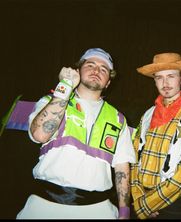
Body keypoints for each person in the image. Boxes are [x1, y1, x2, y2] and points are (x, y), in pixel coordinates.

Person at [16, 48, 136, 219]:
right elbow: (39, 135)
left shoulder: (118, 119)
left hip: (99, 210)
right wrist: (65, 86)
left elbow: (122, 166)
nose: (96, 71)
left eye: (104, 69)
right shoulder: (52, 101)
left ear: (108, 82)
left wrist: (124, 210)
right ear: (78, 70)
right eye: (91, 65)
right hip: (45, 205)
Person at [130, 52, 181, 219]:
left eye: (171, 76)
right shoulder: (147, 115)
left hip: (175, 207)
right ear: (154, 80)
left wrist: (146, 205)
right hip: (141, 199)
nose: (165, 83)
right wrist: (138, 195)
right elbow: (134, 157)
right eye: (159, 77)